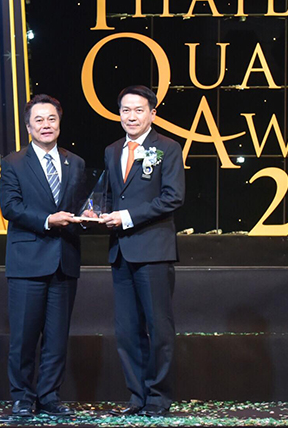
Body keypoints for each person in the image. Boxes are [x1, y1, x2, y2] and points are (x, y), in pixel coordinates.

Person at [98, 85, 185, 416]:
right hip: (120, 252)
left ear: (152, 113)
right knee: (127, 331)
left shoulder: (167, 148)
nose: (131, 116)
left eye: (138, 110)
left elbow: (172, 197)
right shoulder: (112, 150)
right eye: (125, 110)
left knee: (158, 329)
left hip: (153, 250)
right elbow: (111, 195)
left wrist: (126, 217)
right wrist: (97, 213)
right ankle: (137, 397)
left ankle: (158, 398)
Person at [0, 94, 86, 417]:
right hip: (27, 262)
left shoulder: (75, 162)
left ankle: (49, 396)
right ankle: (22, 397)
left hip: (64, 260)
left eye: (52, 118)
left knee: (56, 337)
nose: (46, 125)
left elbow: (79, 205)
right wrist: (48, 220)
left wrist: (88, 215)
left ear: (59, 123)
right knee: (23, 336)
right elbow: (10, 207)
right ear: (28, 127)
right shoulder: (13, 163)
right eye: (39, 120)